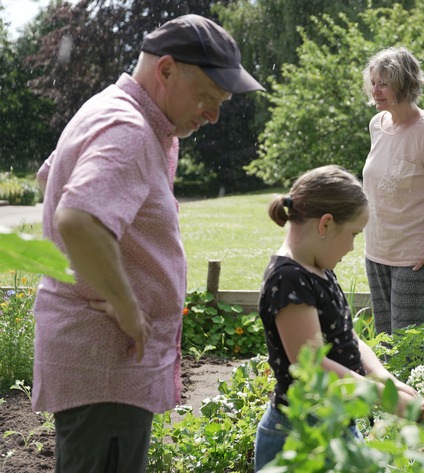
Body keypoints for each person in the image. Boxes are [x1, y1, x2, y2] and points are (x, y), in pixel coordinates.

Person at [33, 14, 264, 472]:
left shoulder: (114, 110)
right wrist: (125, 305)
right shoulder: (129, 129)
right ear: (166, 70)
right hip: (108, 372)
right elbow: (78, 218)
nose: (214, 115)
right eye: (207, 98)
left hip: (105, 373)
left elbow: (50, 178)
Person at [254, 165, 424, 471]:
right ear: (325, 225)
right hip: (299, 436)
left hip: (333, 424)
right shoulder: (288, 279)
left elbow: (349, 338)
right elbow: (311, 365)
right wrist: (382, 397)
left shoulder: (319, 269)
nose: (351, 247)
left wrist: (386, 380)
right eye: (353, 235)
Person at [361, 46, 424, 335]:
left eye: (384, 83)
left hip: (415, 259)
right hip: (376, 252)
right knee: (383, 342)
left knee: (408, 348)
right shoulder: (377, 125)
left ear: (404, 85)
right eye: (374, 83)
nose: (375, 90)